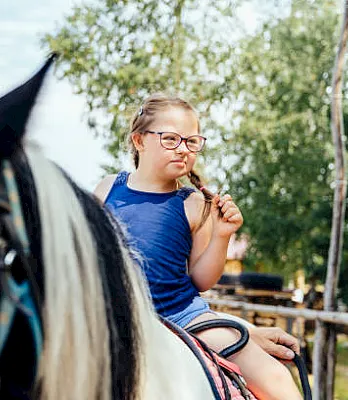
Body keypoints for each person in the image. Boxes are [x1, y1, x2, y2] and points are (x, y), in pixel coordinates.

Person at [94, 93, 301, 399]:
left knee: (278, 381)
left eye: (191, 142)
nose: (183, 149)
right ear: (139, 141)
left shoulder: (194, 204)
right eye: (170, 139)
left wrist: (221, 235)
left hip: (181, 316)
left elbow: (201, 280)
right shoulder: (108, 187)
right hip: (110, 314)